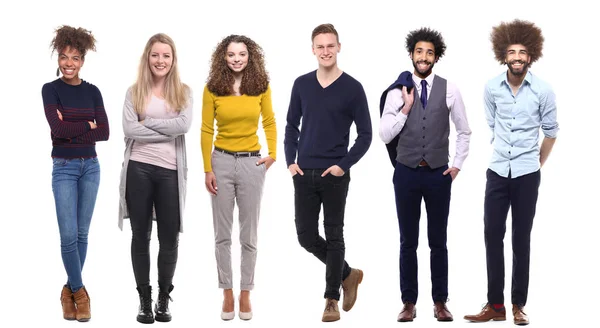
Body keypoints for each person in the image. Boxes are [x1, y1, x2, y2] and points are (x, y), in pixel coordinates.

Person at [464, 19, 558, 326]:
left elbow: (551, 132)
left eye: (522, 52)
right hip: (497, 172)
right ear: (503, 56)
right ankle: (495, 305)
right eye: (511, 52)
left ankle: (518, 305)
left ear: (531, 56)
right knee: (492, 234)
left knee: (521, 238)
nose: (517, 57)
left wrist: (535, 164)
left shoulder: (543, 90)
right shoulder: (491, 88)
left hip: (527, 174)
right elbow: (492, 125)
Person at [379, 27, 471, 323]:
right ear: (411, 54)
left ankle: (440, 302)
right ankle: (408, 302)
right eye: (419, 51)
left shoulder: (450, 89)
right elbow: (384, 134)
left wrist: (455, 165)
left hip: (437, 175)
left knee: (438, 241)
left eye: (429, 52)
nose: (423, 57)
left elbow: (464, 131)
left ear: (436, 57)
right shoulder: (398, 91)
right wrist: (405, 109)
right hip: (405, 173)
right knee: (408, 241)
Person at [283, 23, 372, 323]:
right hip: (303, 172)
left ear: (338, 47)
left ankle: (330, 298)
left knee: (334, 235)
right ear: (312, 49)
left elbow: (366, 135)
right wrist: (289, 162)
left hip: (335, 175)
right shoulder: (301, 84)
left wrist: (343, 165)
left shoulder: (353, 88)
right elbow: (291, 126)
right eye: (320, 46)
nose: (325, 51)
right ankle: (348, 274)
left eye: (330, 45)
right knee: (306, 236)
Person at [118, 33, 193, 324]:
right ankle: (144, 299)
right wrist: (166, 127)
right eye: (155, 55)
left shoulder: (184, 92)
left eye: (166, 56)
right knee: (140, 236)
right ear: (147, 58)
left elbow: (183, 126)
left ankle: (163, 297)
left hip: (170, 173)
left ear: (173, 60)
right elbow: (128, 129)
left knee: (170, 239)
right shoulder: (133, 91)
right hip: (139, 168)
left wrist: (146, 121)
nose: (160, 61)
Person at [201, 34, 276, 321]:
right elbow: (206, 129)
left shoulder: (260, 86)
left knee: (249, 233)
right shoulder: (213, 88)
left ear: (250, 56)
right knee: (222, 235)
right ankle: (227, 291)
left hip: (251, 162)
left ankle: (246, 291)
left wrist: (272, 155)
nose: (236, 59)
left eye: (241, 54)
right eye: (231, 54)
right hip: (220, 161)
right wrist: (207, 168)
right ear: (223, 57)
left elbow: (268, 120)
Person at [41, 25, 109, 322]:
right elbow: (57, 130)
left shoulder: (93, 91)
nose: (69, 63)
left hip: (91, 166)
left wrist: (74, 126)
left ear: (83, 60)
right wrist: (87, 126)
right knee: (68, 235)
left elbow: (105, 132)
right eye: (64, 57)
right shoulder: (50, 89)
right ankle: (80, 293)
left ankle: (68, 291)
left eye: (76, 58)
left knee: (82, 233)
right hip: (64, 169)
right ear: (58, 57)